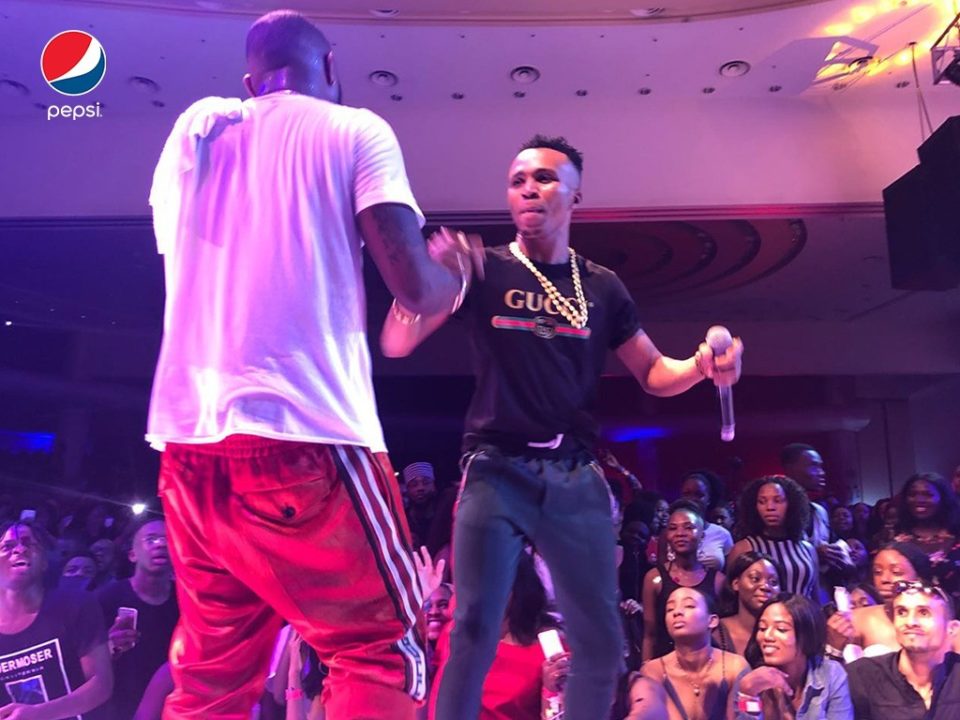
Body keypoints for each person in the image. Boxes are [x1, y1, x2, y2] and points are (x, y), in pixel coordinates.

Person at [146, 10, 473, 718]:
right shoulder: (354, 129)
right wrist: (456, 276)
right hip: (305, 434)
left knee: (210, 679)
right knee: (381, 651)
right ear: (330, 68)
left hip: (189, 447)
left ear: (250, 81)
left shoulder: (197, 135)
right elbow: (415, 288)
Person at [380, 135, 743, 720]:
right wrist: (423, 285)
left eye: (545, 178)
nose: (529, 188)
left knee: (600, 638)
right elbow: (397, 344)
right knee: (473, 625)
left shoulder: (602, 286)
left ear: (575, 196)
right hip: (496, 466)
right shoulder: (484, 268)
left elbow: (653, 372)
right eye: (517, 180)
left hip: (574, 469)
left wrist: (701, 366)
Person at [0, 521, 113, 719]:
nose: (19, 549)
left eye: (28, 543)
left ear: (44, 562)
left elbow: (100, 684)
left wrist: (40, 714)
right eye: (7, 546)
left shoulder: (76, 604)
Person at [97, 515, 179, 720]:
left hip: (172, 708)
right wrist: (110, 647)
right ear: (132, 554)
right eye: (151, 539)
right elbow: (83, 664)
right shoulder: (106, 598)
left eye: (168, 539)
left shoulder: (186, 601)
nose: (160, 545)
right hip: (117, 708)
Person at [847, 581, 960, 718]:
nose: (910, 622)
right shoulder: (861, 676)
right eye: (902, 612)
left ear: (951, 628)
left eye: (924, 613)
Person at [634, 586, 747, 720]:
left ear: (712, 621)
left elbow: (746, 715)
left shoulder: (735, 666)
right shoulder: (653, 671)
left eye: (689, 606)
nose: (677, 612)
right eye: (670, 609)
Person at [734, 593, 853, 719]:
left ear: (807, 636)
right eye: (762, 628)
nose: (767, 636)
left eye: (781, 629)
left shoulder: (831, 674)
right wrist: (747, 695)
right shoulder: (748, 678)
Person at [641, 500, 725, 660]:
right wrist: (646, 668)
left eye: (688, 527)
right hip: (664, 664)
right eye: (673, 528)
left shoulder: (718, 580)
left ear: (702, 535)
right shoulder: (654, 578)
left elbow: (721, 633)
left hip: (707, 664)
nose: (680, 533)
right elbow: (650, 635)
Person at [826, 541, 932, 658]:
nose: (884, 579)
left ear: (919, 579)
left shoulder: (937, 622)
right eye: (878, 572)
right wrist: (835, 649)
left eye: (896, 572)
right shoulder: (854, 621)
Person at [727, 476, 819, 600]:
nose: (770, 507)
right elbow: (732, 596)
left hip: (805, 612)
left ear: (791, 505)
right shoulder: (744, 548)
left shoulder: (807, 549)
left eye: (778, 500)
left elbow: (815, 596)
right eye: (762, 501)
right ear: (754, 507)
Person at [892, 473, 960, 602]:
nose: (919, 499)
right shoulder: (894, 539)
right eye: (912, 494)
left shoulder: (956, 536)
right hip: (909, 610)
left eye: (928, 495)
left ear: (943, 498)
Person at [714, 551, 781, 656]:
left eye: (773, 582)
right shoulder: (715, 631)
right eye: (755, 579)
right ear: (736, 584)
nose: (765, 587)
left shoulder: (785, 635)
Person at [679, 471, 733, 571]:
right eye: (687, 494)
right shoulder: (669, 533)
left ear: (709, 499)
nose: (692, 499)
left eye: (699, 495)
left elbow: (729, 573)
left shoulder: (722, 534)